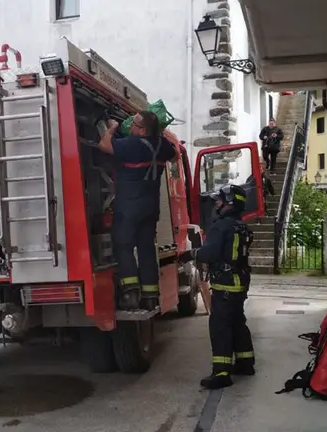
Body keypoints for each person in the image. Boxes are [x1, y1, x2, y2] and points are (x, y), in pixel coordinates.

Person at [178, 184, 255, 389]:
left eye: (220, 201)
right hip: (240, 283)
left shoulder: (221, 227)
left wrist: (191, 254)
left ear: (229, 203)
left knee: (220, 326)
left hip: (226, 285)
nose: (217, 204)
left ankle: (221, 373)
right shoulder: (242, 226)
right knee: (237, 322)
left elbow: (209, 253)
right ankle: (246, 362)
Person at [98, 111, 177, 311]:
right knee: (146, 249)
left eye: (133, 124)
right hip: (150, 208)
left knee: (123, 246)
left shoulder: (132, 145)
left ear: (142, 130)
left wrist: (113, 128)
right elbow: (175, 154)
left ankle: (130, 293)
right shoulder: (162, 146)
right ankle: (150, 296)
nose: (130, 126)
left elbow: (104, 146)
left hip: (129, 207)